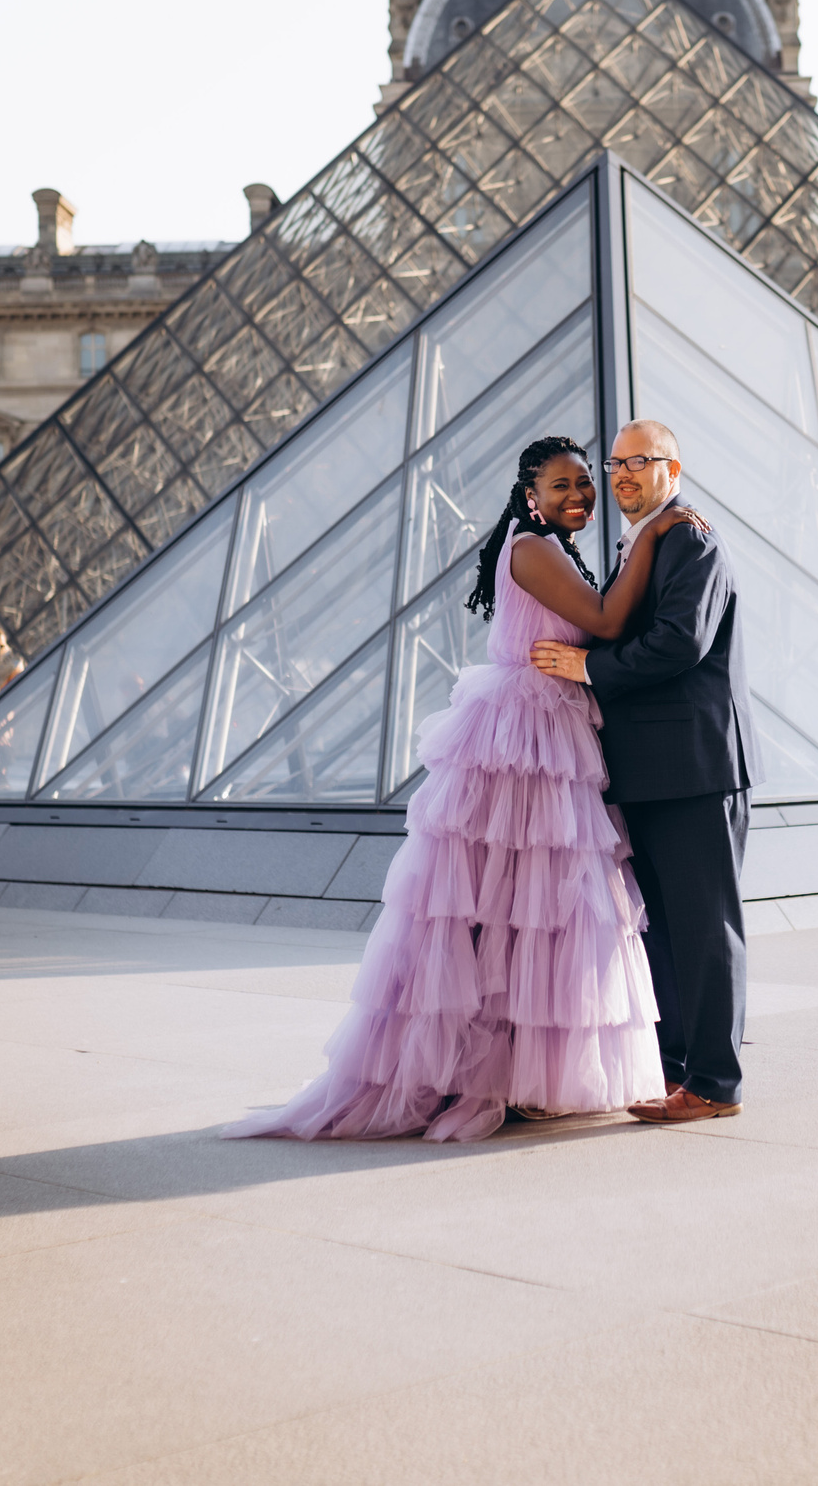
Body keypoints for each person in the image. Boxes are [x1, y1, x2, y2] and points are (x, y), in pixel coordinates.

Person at [224, 436, 696, 1142]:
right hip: (524, 738)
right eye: (561, 485)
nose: (579, 495)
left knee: (531, 910)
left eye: (583, 482)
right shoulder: (532, 549)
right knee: (508, 909)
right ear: (530, 495)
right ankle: (481, 1075)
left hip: (545, 731)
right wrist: (656, 532)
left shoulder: (551, 547)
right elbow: (604, 621)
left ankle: (516, 1074)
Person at [531, 420, 762, 1124]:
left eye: (640, 461)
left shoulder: (690, 538)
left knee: (704, 929)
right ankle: (677, 1071)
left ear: (673, 469)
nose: (623, 474)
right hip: (655, 770)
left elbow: (679, 643)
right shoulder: (645, 541)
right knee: (665, 930)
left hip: (693, 768)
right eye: (616, 464)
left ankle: (715, 1083)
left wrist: (587, 666)